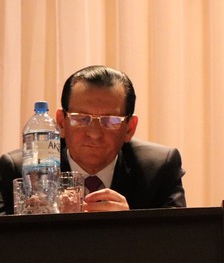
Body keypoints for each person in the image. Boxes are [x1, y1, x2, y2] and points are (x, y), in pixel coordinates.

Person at [0, 65, 186, 214]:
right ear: (61, 123)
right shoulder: (18, 170)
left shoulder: (160, 168)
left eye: (110, 121)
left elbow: (178, 243)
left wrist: (129, 224)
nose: (94, 133)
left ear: (129, 128)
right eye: (81, 119)